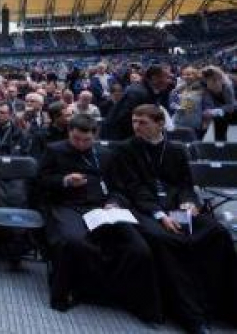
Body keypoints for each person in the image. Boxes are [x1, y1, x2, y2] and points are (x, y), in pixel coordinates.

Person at [112, 104, 237, 334]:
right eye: (134, 121)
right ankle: (190, 314)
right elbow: (133, 188)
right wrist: (160, 215)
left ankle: (225, 306)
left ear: (160, 123)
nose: (136, 127)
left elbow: (185, 185)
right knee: (166, 240)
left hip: (177, 207)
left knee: (216, 233)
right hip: (144, 209)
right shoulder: (125, 150)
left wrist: (189, 203)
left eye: (143, 122)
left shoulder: (177, 150)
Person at [38, 114, 161, 322]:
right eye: (76, 139)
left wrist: (114, 201)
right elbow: (40, 182)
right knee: (74, 241)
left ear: (94, 136)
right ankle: (72, 292)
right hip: (68, 205)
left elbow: (118, 187)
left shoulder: (106, 154)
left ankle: (134, 300)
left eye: (86, 140)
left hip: (103, 207)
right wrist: (65, 181)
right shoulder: (54, 150)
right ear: (69, 133)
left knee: (139, 248)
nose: (80, 144)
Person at [103, 64, 171, 140]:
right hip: (120, 140)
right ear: (154, 78)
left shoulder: (151, 91)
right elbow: (125, 121)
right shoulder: (137, 93)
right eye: (167, 77)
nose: (169, 81)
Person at [201, 66, 236, 142]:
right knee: (216, 120)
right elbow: (209, 107)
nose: (214, 82)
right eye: (209, 79)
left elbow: (231, 106)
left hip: (232, 112)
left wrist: (216, 111)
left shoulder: (227, 87)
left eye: (216, 79)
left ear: (221, 78)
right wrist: (209, 112)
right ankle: (220, 142)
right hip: (218, 115)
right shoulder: (205, 89)